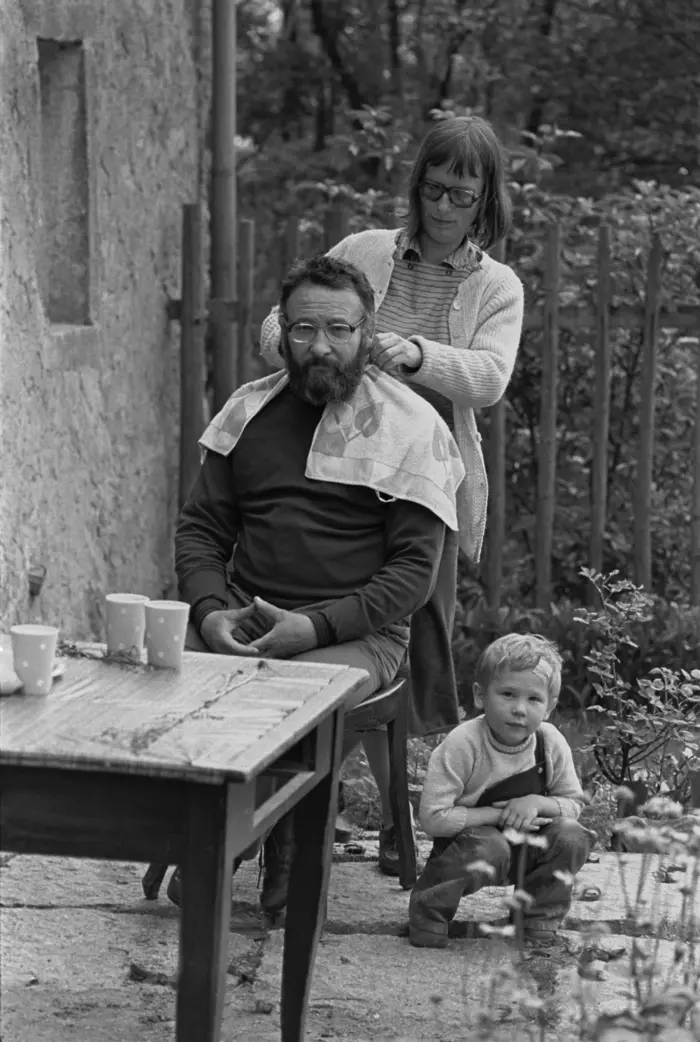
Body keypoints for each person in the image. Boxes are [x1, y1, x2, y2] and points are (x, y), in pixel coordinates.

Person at [260, 115, 525, 877]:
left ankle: (408, 813)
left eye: (461, 196)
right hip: (330, 470)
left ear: (486, 202)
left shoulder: (495, 284)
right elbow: (277, 329)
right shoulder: (363, 252)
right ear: (416, 186)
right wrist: (319, 342)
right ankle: (308, 805)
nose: (442, 207)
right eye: (433, 189)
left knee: (420, 631)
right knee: (317, 605)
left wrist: (412, 354)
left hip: (424, 480)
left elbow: (490, 378)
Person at [170, 253, 465, 914]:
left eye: (340, 330)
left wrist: (315, 626)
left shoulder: (413, 428)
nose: (321, 346)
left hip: (359, 631)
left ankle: (264, 852)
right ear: (283, 330)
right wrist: (213, 610)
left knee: (296, 698)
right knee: (160, 675)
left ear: (367, 333)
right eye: (304, 330)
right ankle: (211, 834)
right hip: (243, 611)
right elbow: (200, 530)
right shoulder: (249, 413)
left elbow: (414, 576)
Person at [408, 634, 594, 949]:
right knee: (489, 847)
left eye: (534, 699)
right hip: (469, 849)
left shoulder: (549, 742)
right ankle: (429, 910)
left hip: (529, 846)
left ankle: (536, 915)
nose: (519, 709)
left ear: (549, 707)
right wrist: (499, 815)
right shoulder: (463, 744)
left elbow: (574, 803)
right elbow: (433, 819)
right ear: (480, 696)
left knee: (572, 835)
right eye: (507, 694)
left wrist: (536, 803)